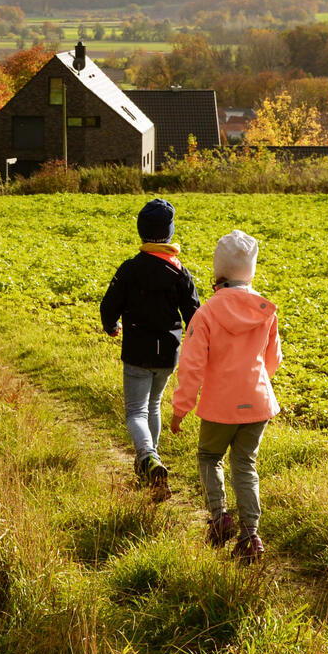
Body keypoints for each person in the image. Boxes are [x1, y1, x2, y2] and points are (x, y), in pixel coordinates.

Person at [171, 230, 281, 562]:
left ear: (218, 273)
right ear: (251, 269)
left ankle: (219, 518)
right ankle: (251, 535)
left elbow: (191, 366)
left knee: (209, 457)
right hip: (258, 401)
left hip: (220, 406)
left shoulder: (205, 314)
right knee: (245, 465)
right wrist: (252, 384)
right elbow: (273, 360)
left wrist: (180, 408)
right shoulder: (266, 310)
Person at [100, 198, 200, 490]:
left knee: (135, 412)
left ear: (141, 232)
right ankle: (152, 465)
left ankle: (148, 457)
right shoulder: (180, 272)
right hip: (168, 353)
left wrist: (111, 326)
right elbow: (195, 315)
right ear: (169, 233)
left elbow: (109, 305)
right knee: (153, 404)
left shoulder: (130, 268)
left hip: (137, 352)